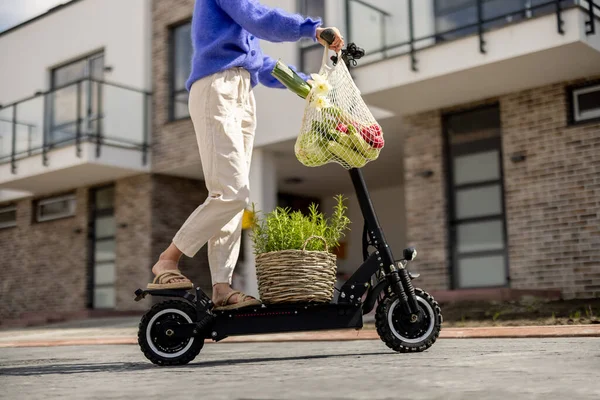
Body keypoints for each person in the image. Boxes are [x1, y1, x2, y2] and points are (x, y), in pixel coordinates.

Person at [147, 0, 344, 310]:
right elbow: (258, 19)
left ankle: (222, 288)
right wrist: (311, 29)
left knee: (233, 199)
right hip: (217, 87)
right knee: (231, 193)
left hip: (241, 92)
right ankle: (168, 260)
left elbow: (260, 64)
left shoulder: (240, 28)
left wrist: (309, 85)